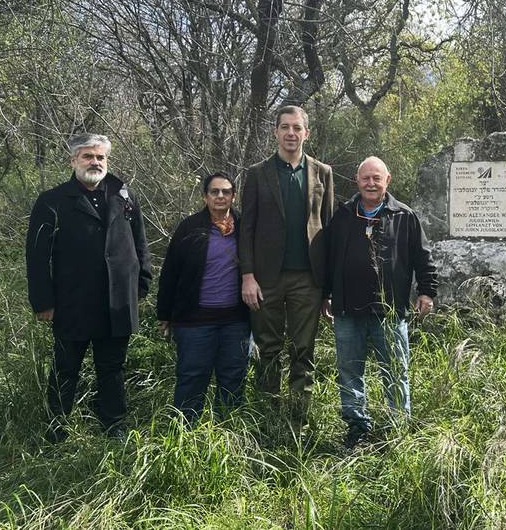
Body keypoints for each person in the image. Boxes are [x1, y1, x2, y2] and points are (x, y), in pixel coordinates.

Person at [25, 134, 152, 442]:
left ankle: (114, 427)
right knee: (65, 367)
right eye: (88, 157)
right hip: (73, 302)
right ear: (73, 161)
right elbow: (37, 257)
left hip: (117, 301)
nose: (95, 162)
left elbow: (139, 243)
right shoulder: (52, 201)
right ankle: (57, 428)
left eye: (101, 158)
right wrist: (43, 302)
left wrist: (141, 283)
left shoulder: (123, 195)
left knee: (112, 368)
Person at [323, 157, 437, 448]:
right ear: (357, 181)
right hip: (348, 309)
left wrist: (426, 292)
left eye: (376, 178)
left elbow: (423, 259)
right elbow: (329, 257)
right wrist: (326, 293)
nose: (371, 184)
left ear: (388, 179)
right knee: (349, 372)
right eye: (365, 178)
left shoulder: (404, 216)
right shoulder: (343, 215)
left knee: (395, 372)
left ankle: (397, 429)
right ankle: (357, 428)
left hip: (390, 310)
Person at [239, 105, 335, 424]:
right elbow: (247, 228)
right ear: (276, 132)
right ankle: (267, 419)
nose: (291, 133)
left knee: (302, 351)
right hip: (266, 279)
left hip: (308, 279)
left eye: (297, 127)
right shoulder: (256, 173)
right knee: (268, 350)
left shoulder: (323, 172)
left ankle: (296, 422)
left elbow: (329, 229)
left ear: (306, 132)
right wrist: (248, 276)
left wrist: (328, 289)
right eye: (285, 127)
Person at [156, 172, 251, 423]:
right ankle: (186, 434)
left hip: (236, 321)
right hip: (194, 320)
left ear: (233, 195)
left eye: (226, 191)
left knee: (233, 377)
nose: (221, 196)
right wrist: (165, 314)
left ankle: (228, 432)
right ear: (205, 196)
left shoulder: (244, 226)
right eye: (215, 191)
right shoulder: (190, 227)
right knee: (192, 377)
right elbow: (170, 272)